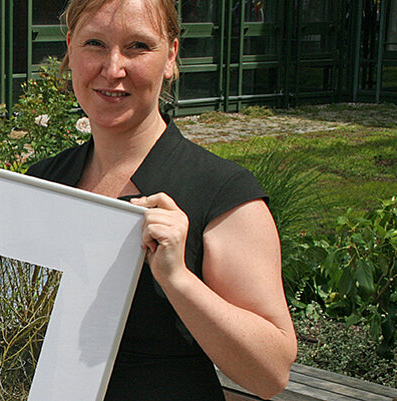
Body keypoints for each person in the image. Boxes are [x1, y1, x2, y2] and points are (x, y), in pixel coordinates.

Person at [25, 0, 297, 399]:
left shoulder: (221, 193)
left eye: (137, 46)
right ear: (70, 49)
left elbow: (270, 374)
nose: (113, 68)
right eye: (95, 44)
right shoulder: (43, 182)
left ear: (170, 56)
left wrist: (178, 280)